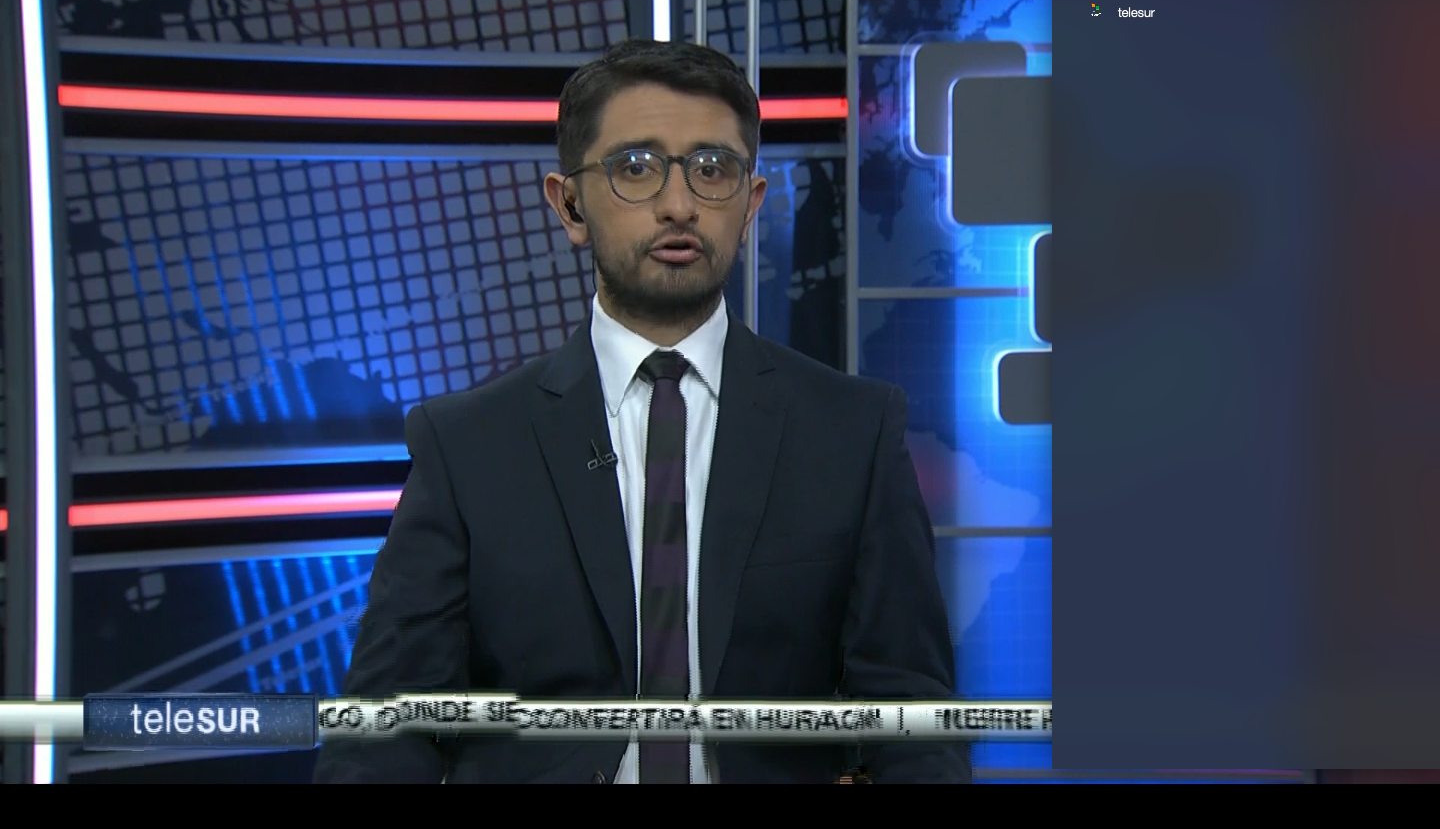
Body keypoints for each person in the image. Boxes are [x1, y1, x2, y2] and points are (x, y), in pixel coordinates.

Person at [312, 39, 969, 784]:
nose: (679, 204)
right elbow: (385, 728)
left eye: (712, 169)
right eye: (635, 167)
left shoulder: (853, 432)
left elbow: (915, 720)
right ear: (569, 205)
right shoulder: (467, 445)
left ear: (750, 205)